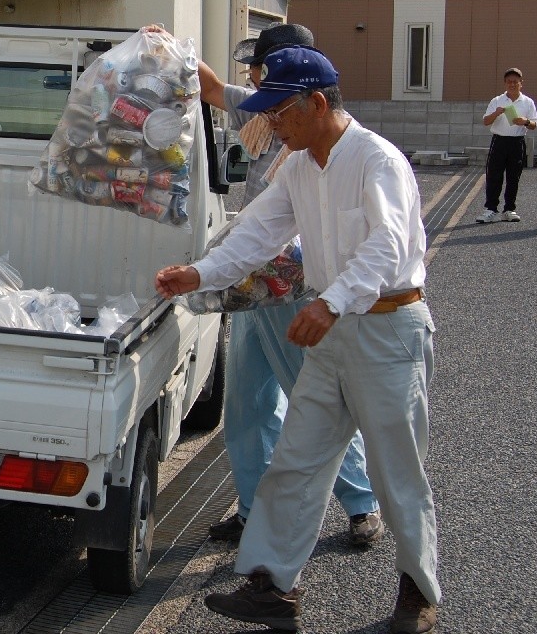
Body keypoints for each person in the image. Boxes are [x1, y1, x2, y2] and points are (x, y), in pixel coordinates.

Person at [156, 47, 439, 634]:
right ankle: (272, 586)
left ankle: (418, 589)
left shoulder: (376, 159)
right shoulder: (299, 166)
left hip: (388, 328)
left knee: (396, 471)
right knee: (297, 461)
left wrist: (331, 302)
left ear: (316, 103)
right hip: (334, 331)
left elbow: (388, 245)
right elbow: (258, 232)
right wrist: (201, 274)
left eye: (279, 111)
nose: (271, 124)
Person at [198, 23, 382, 548]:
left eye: (259, 66)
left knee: (312, 397)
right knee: (247, 403)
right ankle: (254, 508)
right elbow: (209, 87)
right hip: (252, 283)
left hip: (293, 284)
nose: (255, 78)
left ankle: (361, 503)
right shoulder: (262, 109)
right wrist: (167, 45)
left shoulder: (321, 128)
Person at [476, 68, 537, 223]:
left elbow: (534, 124)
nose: (512, 84)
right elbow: (485, 121)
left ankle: (509, 209)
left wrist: (525, 121)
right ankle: (491, 209)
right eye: (509, 82)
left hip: (517, 142)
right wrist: (496, 113)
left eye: (515, 82)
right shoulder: (497, 100)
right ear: (505, 83)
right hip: (499, 141)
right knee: (494, 175)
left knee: (513, 177)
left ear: (521, 83)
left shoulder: (528, 102)